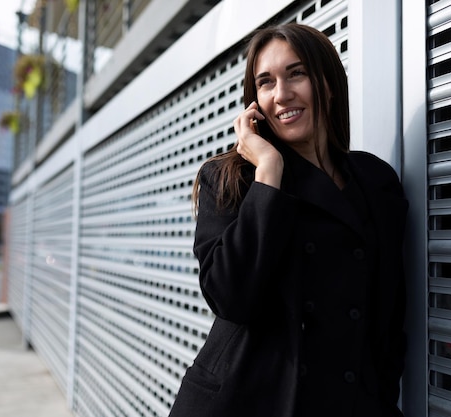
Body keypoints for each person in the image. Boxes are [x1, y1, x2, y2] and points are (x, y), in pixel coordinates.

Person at [169, 23, 408, 417]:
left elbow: (389, 316)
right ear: (255, 102)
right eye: (266, 82)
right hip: (247, 402)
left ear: (328, 83)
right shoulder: (234, 178)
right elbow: (231, 297)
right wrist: (268, 171)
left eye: (296, 73)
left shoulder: (376, 182)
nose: (281, 94)